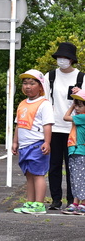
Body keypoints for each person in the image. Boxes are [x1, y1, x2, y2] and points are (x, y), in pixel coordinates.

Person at [44, 42, 82, 210]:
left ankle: (72, 201)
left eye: (65, 57)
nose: (62, 60)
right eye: (59, 57)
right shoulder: (50, 76)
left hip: (75, 129)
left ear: (72, 60)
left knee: (73, 166)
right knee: (54, 166)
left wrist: (79, 94)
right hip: (54, 127)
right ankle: (55, 200)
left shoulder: (81, 77)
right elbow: (44, 101)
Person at [12, 69, 54, 215]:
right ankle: (30, 202)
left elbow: (47, 125)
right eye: (25, 83)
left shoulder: (44, 104)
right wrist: (15, 142)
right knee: (29, 174)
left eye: (32, 83)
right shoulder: (23, 103)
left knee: (38, 174)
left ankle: (39, 204)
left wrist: (47, 142)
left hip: (37, 143)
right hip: (24, 145)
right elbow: (19, 124)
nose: (27, 86)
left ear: (41, 87)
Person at [62, 90, 85, 215]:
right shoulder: (79, 117)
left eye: (79, 106)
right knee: (75, 178)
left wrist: (71, 106)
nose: (76, 108)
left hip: (81, 151)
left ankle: (83, 203)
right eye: (76, 105)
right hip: (74, 150)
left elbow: (65, 117)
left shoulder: (82, 117)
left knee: (81, 178)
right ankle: (76, 202)